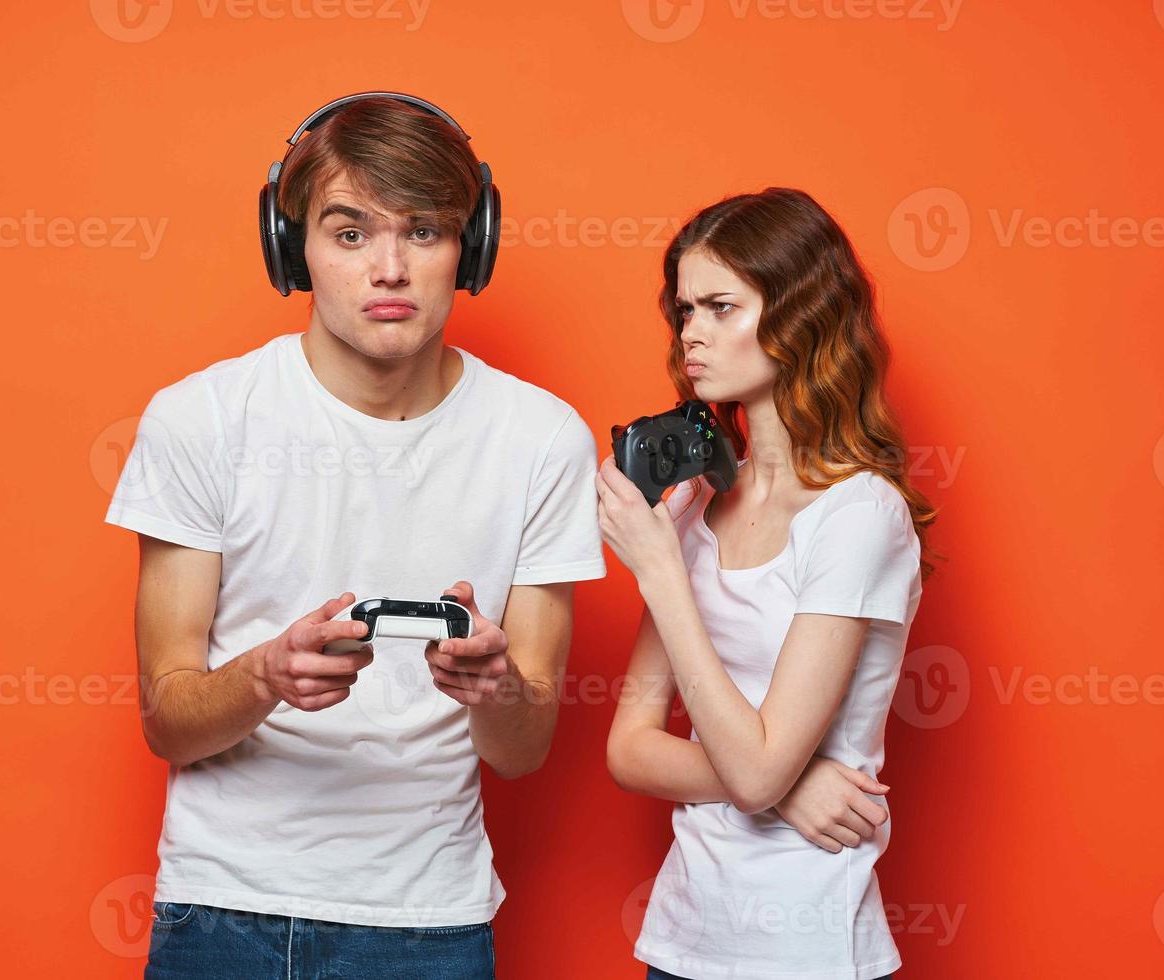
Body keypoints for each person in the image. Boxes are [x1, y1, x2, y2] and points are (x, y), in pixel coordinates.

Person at [104, 92, 605, 979]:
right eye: (349, 233)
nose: (389, 268)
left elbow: (523, 753)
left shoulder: (542, 439)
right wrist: (266, 673)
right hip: (227, 911)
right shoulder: (200, 421)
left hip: (433, 920)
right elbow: (166, 722)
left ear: (472, 246)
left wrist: (493, 688)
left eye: (422, 231)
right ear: (290, 245)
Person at [598, 188, 936, 980]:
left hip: (805, 951)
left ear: (799, 315)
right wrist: (793, 782)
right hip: (681, 942)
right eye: (685, 310)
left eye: (720, 307)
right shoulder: (698, 506)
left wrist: (659, 570)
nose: (693, 334)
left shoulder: (860, 517)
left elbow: (753, 771)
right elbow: (629, 750)